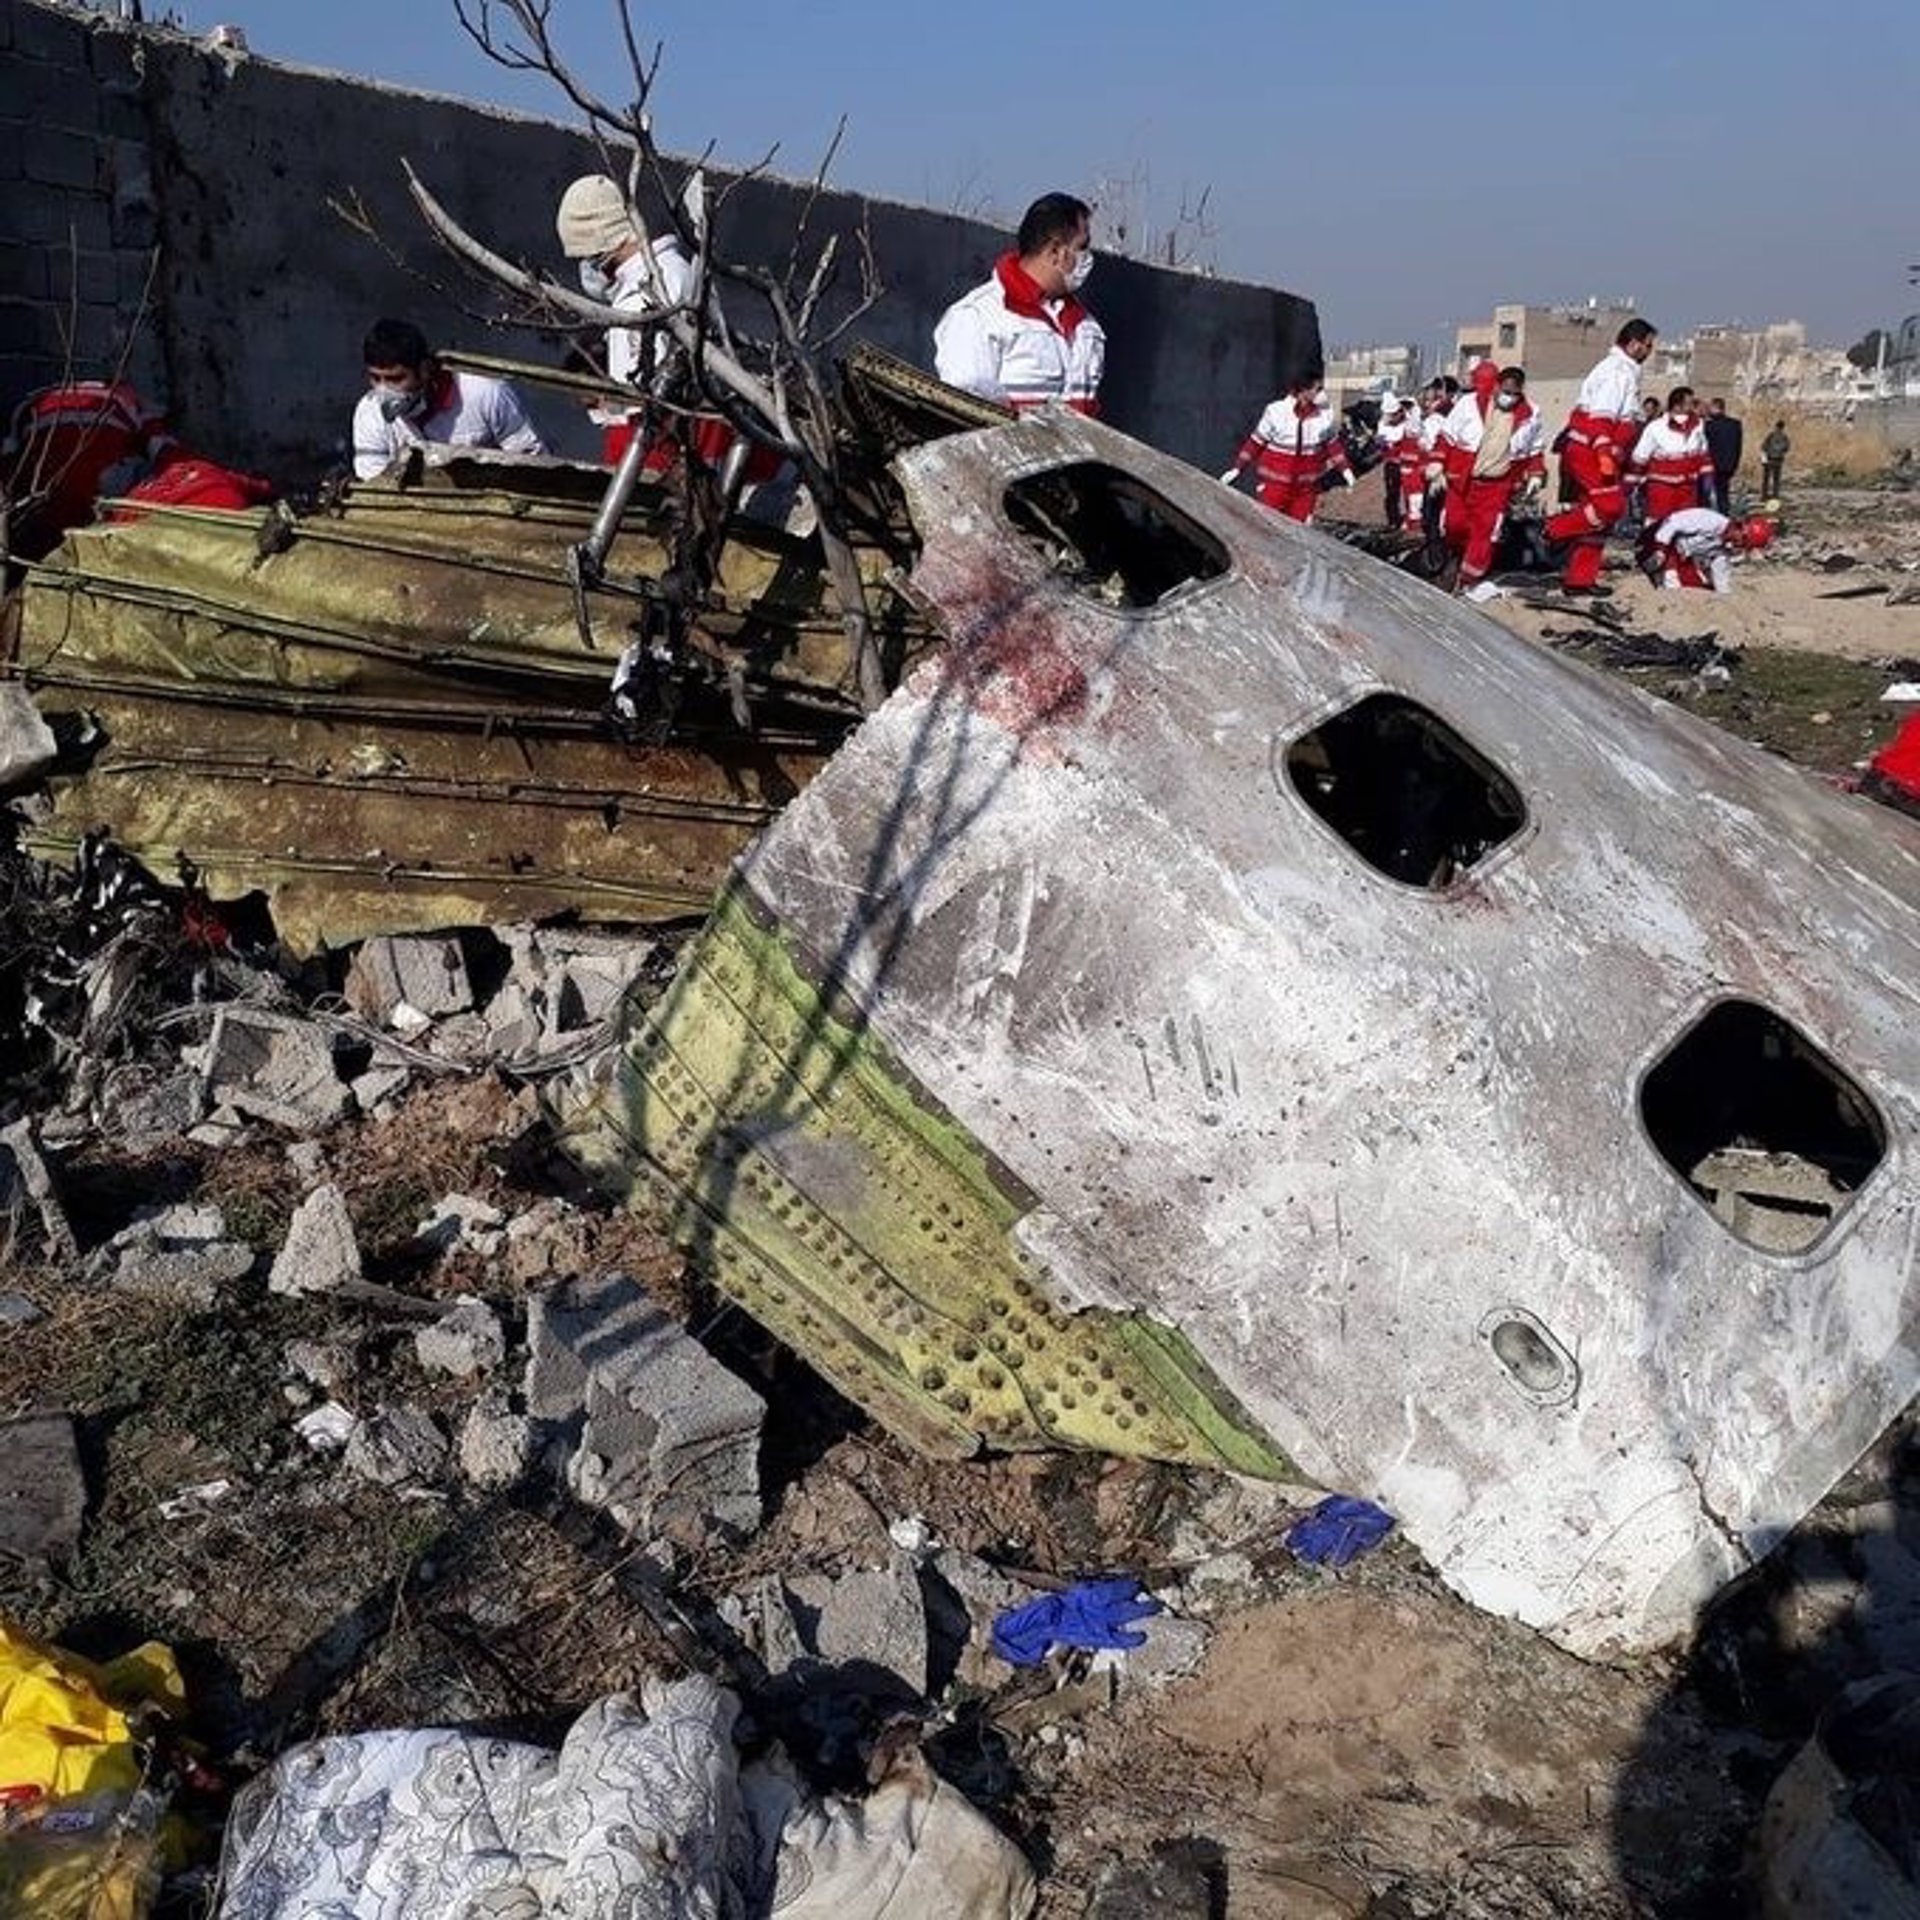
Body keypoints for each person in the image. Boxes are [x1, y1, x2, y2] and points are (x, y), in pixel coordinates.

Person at [933, 193, 1104, 413]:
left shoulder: (1086, 327)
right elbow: (967, 413)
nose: (1088, 258)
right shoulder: (978, 316)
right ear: (1055, 251)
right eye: (1082, 247)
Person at [1542, 317, 1658, 593]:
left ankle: (1579, 579)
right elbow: (1601, 418)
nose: (1650, 351)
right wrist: (1604, 452)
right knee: (1610, 507)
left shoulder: (1626, 371)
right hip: (1590, 451)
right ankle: (1553, 530)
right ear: (1634, 344)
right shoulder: (1616, 372)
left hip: (1602, 451)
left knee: (1600, 523)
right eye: (1648, 345)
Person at [352, 318, 544, 479]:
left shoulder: (486, 394)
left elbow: (532, 461)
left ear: (424, 370)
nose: (383, 388)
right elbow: (372, 485)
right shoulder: (369, 413)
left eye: (396, 379)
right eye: (375, 378)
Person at [1437, 362, 1545, 591]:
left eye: (1515, 394)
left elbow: (1535, 448)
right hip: (1463, 480)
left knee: (1485, 533)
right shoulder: (1469, 405)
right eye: (1506, 392)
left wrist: (1536, 473)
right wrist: (1437, 463)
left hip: (1497, 485)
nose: (1509, 398)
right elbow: (1447, 437)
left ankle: (1468, 580)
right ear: (1496, 386)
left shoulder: (1530, 414)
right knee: (1454, 525)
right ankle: (1457, 554)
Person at [1222, 379, 1354, 523]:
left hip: (1305, 491)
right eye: (1318, 389)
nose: (1322, 394)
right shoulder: (1276, 412)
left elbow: (1333, 446)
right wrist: (1237, 468)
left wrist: (1346, 471)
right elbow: (1255, 443)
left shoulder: (1323, 416)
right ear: (1303, 391)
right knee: (1268, 526)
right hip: (1275, 487)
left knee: (1299, 530)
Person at [1628, 387, 1713, 525]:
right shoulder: (1656, 428)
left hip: (1688, 489)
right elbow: (1639, 458)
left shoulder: (1698, 426)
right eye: (1690, 404)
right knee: (1659, 525)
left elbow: (1704, 455)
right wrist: (1632, 485)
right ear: (1677, 406)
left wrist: (1707, 478)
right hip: (1662, 489)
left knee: (1686, 526)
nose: (1693, 407)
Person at [1640, 505, 1773, 592]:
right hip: (1657, 540)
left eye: (1744, 545)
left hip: (1682, 556)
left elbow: (1721, 577)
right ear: (1740, 527)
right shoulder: (1710, 520)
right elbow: (1672, 523)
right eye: (1742, 540)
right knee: (1673, 584)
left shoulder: (1724, 548)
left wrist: (1726, 598)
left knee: (1698, 587)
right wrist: (1660, 549)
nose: (1738, 544)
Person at [1375, 391, 1412, 529]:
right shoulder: (1383, 424)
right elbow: (1382, 442)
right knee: (1392, 493)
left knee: (1410, 492)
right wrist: (1381, 443)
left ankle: (1412, 518)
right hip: (1391, 464)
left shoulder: (1409, 422)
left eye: (1394, 414)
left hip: (1407, 464)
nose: (1392, 417)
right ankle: (1393, 520)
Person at [1702, 398, 1743, 514]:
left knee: (1712, 493)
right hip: (1730, 465)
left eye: (1710, 408)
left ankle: (1717, 515)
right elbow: (1738, 446)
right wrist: (1735, 464)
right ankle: (1724, 513)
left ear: (1716, 408)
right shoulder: (1735, 424)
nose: (1708, 410)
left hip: (1714, 465)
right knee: (1724, 492)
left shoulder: (1709, 425)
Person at [1761, 420, 1791, 499]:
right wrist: (1780, 452)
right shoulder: (1784, 437)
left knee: (1767, 478)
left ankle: (1764, 495)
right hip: (1778, 460)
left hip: (1769, 459)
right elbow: (1787, 448)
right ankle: (1775, 495)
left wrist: (1764, 458)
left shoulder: (1771, 435)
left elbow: (1763, 447)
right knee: (1776, 478)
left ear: (1776, 426)